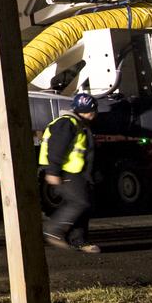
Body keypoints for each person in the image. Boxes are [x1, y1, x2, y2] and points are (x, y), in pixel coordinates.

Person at [41, 91, 101, 254]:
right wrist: (53, 171)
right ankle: (53, 229)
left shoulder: (78, 123)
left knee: (85, 206)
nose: (94, 114)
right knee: (79, 203)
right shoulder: (67, 123)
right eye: (93, 110)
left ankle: (79, 241)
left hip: (78, 173)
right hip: (67, 172)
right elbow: (56, 148)